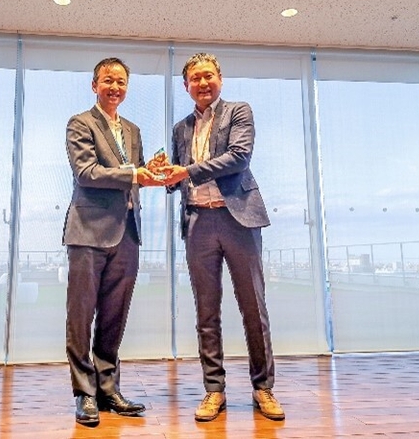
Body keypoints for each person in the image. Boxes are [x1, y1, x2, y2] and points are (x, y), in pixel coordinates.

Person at [160, 53, 285, 422]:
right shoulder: (181, 128)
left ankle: (263, 388)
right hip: (198, 221)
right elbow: (178, 177)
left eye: (208, 76)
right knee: (206, 310)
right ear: (186, 86)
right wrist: (164, 175)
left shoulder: (238, 112)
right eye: (195, 78)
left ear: (220, 79)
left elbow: (239, 157)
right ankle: (214, 390)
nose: (202, 83)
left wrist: (186, 171)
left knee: (253, 307)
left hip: (238, 219)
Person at [63, 57, 162, 427]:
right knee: (81, 316)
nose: (115, 87)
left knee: (114, 316)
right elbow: (86, 173)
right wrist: (136, 173)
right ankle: (84, 393)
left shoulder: (133, 130)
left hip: (127, 233)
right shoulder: (80, 123)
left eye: (121, 82)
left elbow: (135, 177)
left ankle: (108, 389)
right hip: (88, 231)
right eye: (108, 80)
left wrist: (152, 172)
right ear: (95, 85)